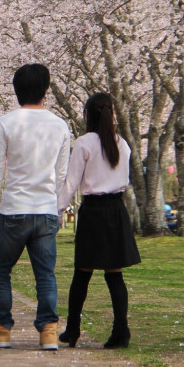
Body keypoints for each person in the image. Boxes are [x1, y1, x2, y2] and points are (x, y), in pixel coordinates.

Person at [0, 63, 71, 351]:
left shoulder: (6, 122)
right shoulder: (60, 124)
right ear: (46, 90)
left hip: (15, 208)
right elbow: (61, 174)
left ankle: (1, 329)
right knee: (45, 273)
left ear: (16, 90)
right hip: (45, 209)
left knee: (1, 270)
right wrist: (56, 206)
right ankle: (49, 332)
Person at [56, 92, 141, 349]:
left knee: (82, 274)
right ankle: (121, 332)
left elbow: (71, 182)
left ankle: (72, 330)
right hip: (116, 209)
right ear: (112, 114)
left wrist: (57, 209)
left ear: (87, 115)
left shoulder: (84, 143)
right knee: (114, 275)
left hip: (93, 211)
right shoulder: (122, 144)